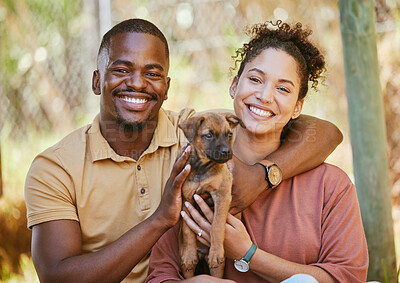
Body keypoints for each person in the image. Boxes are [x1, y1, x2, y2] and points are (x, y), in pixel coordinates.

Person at [24, 19, 343, 282]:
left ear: (167, 87)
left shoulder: (195, 132)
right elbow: (56, 276)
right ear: (97, 81)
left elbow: (325, 132)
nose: (137, 83)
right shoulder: (55, 168)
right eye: (121, 70)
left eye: (152, 74)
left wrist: (263, 175)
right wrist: (159, 220)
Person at [146, 21, 368, 282]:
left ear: (298, 107)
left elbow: (348, 276)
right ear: (234, 86)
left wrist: (247, 252)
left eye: (283, 88)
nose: (264, 95)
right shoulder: (194, 173)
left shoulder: (330, 186)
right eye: (255, 79)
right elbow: (161, 273)